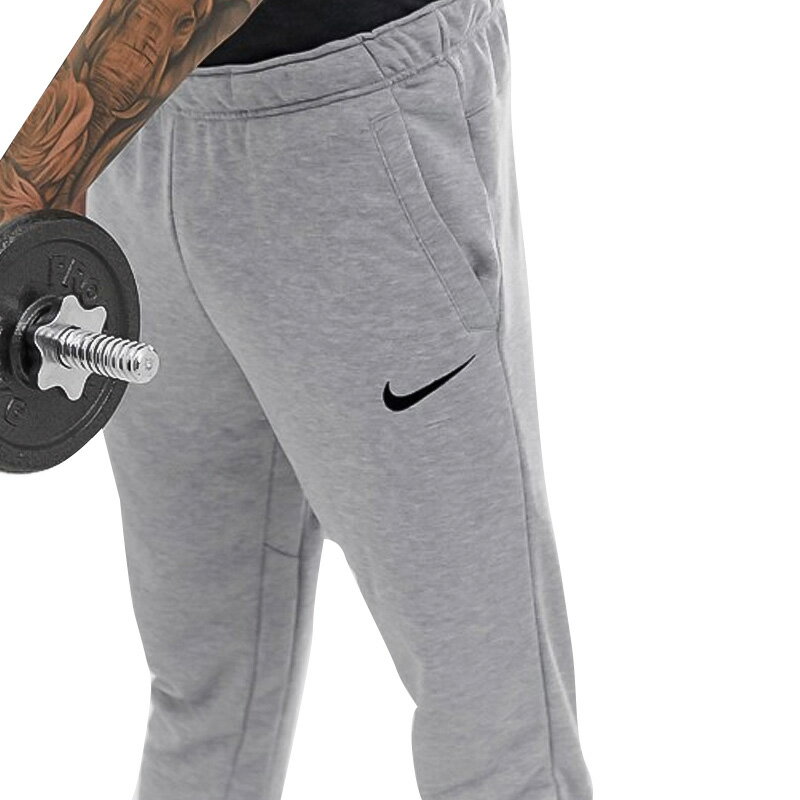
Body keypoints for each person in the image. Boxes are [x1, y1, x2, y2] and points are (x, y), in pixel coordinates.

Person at [0, 1, 593, 798]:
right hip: (156, 127)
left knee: (482, 713)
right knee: (209, 687)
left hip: (323, 124)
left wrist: (32, 181)